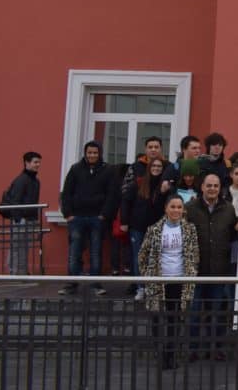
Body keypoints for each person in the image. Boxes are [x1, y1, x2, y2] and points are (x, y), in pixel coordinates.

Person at [138, 194, 199, 370]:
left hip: (180, 280)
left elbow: (195, 255)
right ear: (166, 208)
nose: (176, 210)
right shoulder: (154, 229)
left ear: (183, 210)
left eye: (179, 207)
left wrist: (191, 273)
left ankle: (170, 354)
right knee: (157, 318)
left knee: (175, 319)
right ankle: (159, 352)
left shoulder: (190, 229)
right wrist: (148, 275)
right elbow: (142, 254)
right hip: (158, 281)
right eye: (173, 207)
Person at [183, 172, 236, 361]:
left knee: (219, 315)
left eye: (216, 185)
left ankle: (217, 348)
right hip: (196, 271)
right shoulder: (189, 208)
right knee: (195, 313)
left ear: (220, 188)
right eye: (209, 185)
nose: (212, 189)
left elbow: (233, 236)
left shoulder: (228, 209)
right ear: (202, 187)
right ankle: (193, 349)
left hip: (219, 271)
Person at [59, 141, 117, 296]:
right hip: (76, 217)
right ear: (85, 153)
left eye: (95, 153)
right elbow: (66, 193)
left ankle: (95, 283)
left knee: (96, 252)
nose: (92, 155)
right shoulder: (75, 169)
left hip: (97, 218)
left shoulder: (108, 170)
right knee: (74, 251)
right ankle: (71, 283)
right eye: (89, 152)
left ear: (100, 154)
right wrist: (68, 214)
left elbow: (112, 194)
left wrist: (104, 215)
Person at [121, 157, 168, 300]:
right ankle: (141, 287)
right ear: (149, 167)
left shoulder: (164, 186)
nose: (156, 168)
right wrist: (124, 221)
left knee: (155, 258)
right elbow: (126, 202)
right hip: (138, 227)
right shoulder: (139, 183)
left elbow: (164, 205)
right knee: (139, 258)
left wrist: (163, 192)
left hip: (157, 227)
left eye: (159, 166)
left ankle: (152, 287)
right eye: (154, 165)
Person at [5, 151, 42, 276]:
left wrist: (35, 221)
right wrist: (18, 219)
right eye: (35, 162)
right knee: (17, 247)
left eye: (39, 162)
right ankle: (14, 272)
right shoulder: (22, 180)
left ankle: (21, 272)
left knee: (25, 248)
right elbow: (16, 201)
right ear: (27, 163)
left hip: (30, 219)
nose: (38, 165)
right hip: (21, 220)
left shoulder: (35, 181)